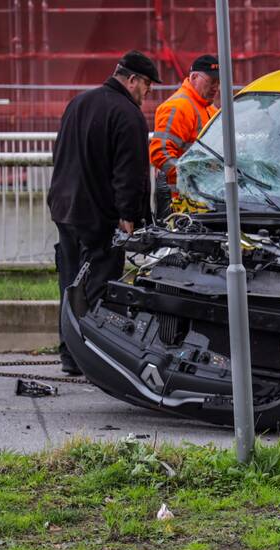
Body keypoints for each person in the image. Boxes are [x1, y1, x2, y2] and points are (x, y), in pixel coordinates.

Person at [47, 50, 158, 375]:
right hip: (100, 216)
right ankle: (89, 356)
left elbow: (60, 152)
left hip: (65, 209)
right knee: (98, 287)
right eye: (147, 85)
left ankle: (69, 355)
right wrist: (129, 216)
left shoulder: (79, 103)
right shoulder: (127, 114)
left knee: (69, 281)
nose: (147, 93)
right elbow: (130, 172)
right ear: (132, 80)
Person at [150, 54, 220, 214]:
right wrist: (189, 178)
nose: (215, 87)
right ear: (194, 77)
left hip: (203, 200)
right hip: (181, 203)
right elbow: (160, 153)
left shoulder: (210, 109)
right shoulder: (178, 107)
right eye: (211, 81)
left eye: (218, 82)